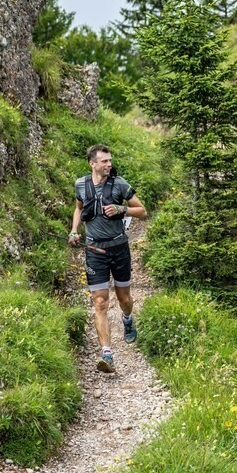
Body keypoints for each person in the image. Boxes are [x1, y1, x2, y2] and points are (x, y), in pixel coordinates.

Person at [69, 144, 147, 373]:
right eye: (104, 161)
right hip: (94, 251)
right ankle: (107, 354)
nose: (108, 164)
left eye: (110, 160)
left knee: (124, 298)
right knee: (100, 302)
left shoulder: (120, 184)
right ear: (92, 163)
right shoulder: (81, 185)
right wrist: (74, 230)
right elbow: (79, 209)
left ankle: (127, 318)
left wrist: (121, 209)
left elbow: (142, 212)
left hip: (119, 249)